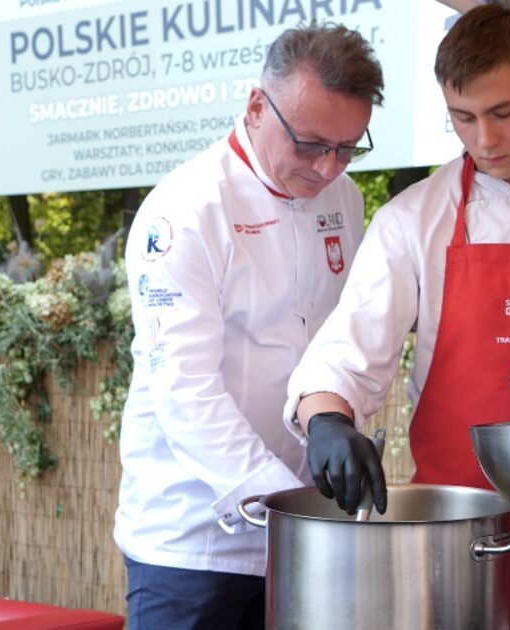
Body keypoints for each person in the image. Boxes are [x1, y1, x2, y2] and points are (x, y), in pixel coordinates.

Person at [283, 6, 510, 629]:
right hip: (460, 532)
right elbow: (349, 348)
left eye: (502, 113)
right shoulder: (411, 220)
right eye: (463, 117)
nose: (483, 139)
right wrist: (326, 418)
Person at [114, 22, 383, 629]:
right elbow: (184, 391)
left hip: (306, 534)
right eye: (312, 144)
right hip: (189, 541)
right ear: (257, 105)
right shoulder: (184, 212)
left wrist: (337, 423)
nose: (327, 168)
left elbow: (343, 339)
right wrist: (286, 499)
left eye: (348, 148)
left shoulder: (346, 201)